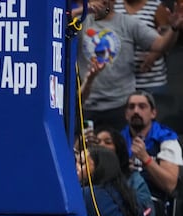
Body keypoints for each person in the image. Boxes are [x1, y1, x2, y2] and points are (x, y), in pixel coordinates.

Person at [78, 0, 182, 131]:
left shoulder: (127, 23)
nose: (102, 3)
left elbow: (160, 44)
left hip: (121, 104)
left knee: (121, 147)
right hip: (87, 104)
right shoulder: (81, 22)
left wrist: (174, 28)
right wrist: (83, 10)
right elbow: (58, 21)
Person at [79, 146, 145, 216]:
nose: (75, 167)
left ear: (99, 167)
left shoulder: (88, 194)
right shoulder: (130, 194)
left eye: (81, 163)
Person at [113, 0, 175, 95]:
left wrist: (155, 54)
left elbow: (168, 37)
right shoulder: (113, 5)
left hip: (151, 81)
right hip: (121, 83)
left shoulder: (156, 6)